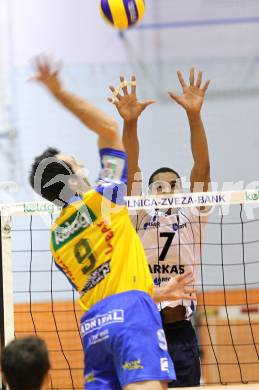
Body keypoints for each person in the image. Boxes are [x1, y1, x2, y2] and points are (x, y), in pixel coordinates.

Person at [29, 56, 196, 390]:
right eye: (76, 164)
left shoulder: (56, 238)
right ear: (72, 181)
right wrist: (58, 92)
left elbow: (104, 281)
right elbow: (107, 128)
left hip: (94, 327)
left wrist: (157, 292)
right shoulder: (105, 198)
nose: (83, 165)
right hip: (132, 315)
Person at [108, 68, 211, 387]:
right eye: (159, 186)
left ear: (182, 191)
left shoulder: (193, 212)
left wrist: (194, 116)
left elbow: (202, 169)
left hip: (180, 331)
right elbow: (130, 169)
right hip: (144, 329)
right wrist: (130, 122)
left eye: (172, 185)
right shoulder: (138, 212)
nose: (166, 190)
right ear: (149, 193)